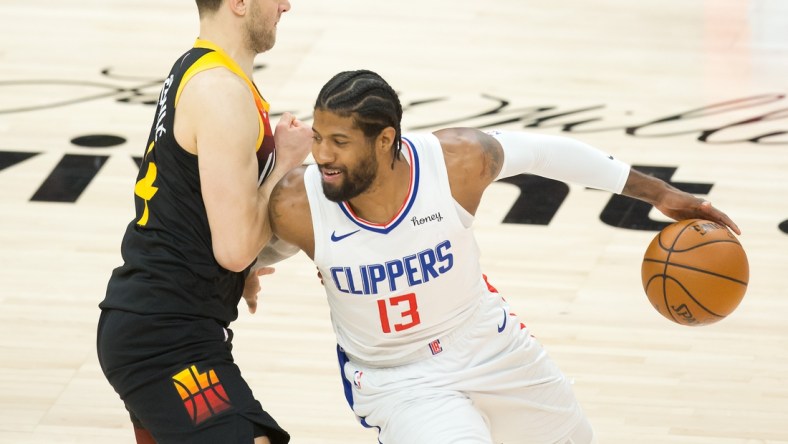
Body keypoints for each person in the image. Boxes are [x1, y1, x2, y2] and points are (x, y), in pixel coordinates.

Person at [266, 69, 740, 444]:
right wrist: (242, 272)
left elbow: (544, 152)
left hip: (485, 343)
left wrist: (657, 192)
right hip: (399, 380)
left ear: (386, 140)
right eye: (319, 137)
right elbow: (232, 250)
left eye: (339, 142)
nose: (322, 154)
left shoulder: (455, 162)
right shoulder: (296, 203)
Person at [96, 1, 312, 443]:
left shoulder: (198, 67)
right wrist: (286, 161)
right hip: (167, 344)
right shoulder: (220, 91)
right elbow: (233, 250)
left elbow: (187, 199)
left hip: (159, 324)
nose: (286, 4)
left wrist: (239, 274)